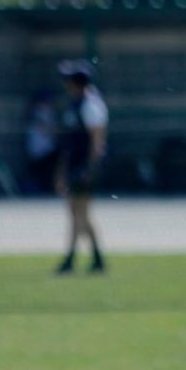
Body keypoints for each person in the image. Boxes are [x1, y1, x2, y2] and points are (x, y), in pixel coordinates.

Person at [54, 59, 108, 274]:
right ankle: (93, 258)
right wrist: (61, 171)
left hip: (84, 167)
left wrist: (90, 168)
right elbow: (68, 143)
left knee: (80, 214)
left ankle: (74, 259)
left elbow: (97, 141)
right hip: (74, 165)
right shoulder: (75, 104)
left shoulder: (91, 106)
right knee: (77, 214)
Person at [24, 89, 59, 195]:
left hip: (46, 152)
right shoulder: (38, 113)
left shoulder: (47, 113)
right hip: (40, 153)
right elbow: (50, 130)